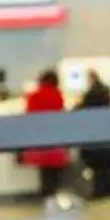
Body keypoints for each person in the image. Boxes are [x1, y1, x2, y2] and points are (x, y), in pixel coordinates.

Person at [21, 68, 72, 206]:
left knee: (44, 172)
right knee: (54, 173)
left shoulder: (33, 96)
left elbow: (29, 117)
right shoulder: (57, 95)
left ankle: (47, 196)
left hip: (39, 140)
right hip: (55, 140)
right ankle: (53, 196)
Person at [77, 70, 110, 201]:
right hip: (108, 134)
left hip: (95, 134)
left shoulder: (90, 95)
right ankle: (108, 191)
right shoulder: (106, 93)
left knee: (98, 167)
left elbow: (81, 109)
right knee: (107, 167)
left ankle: (99, 192)